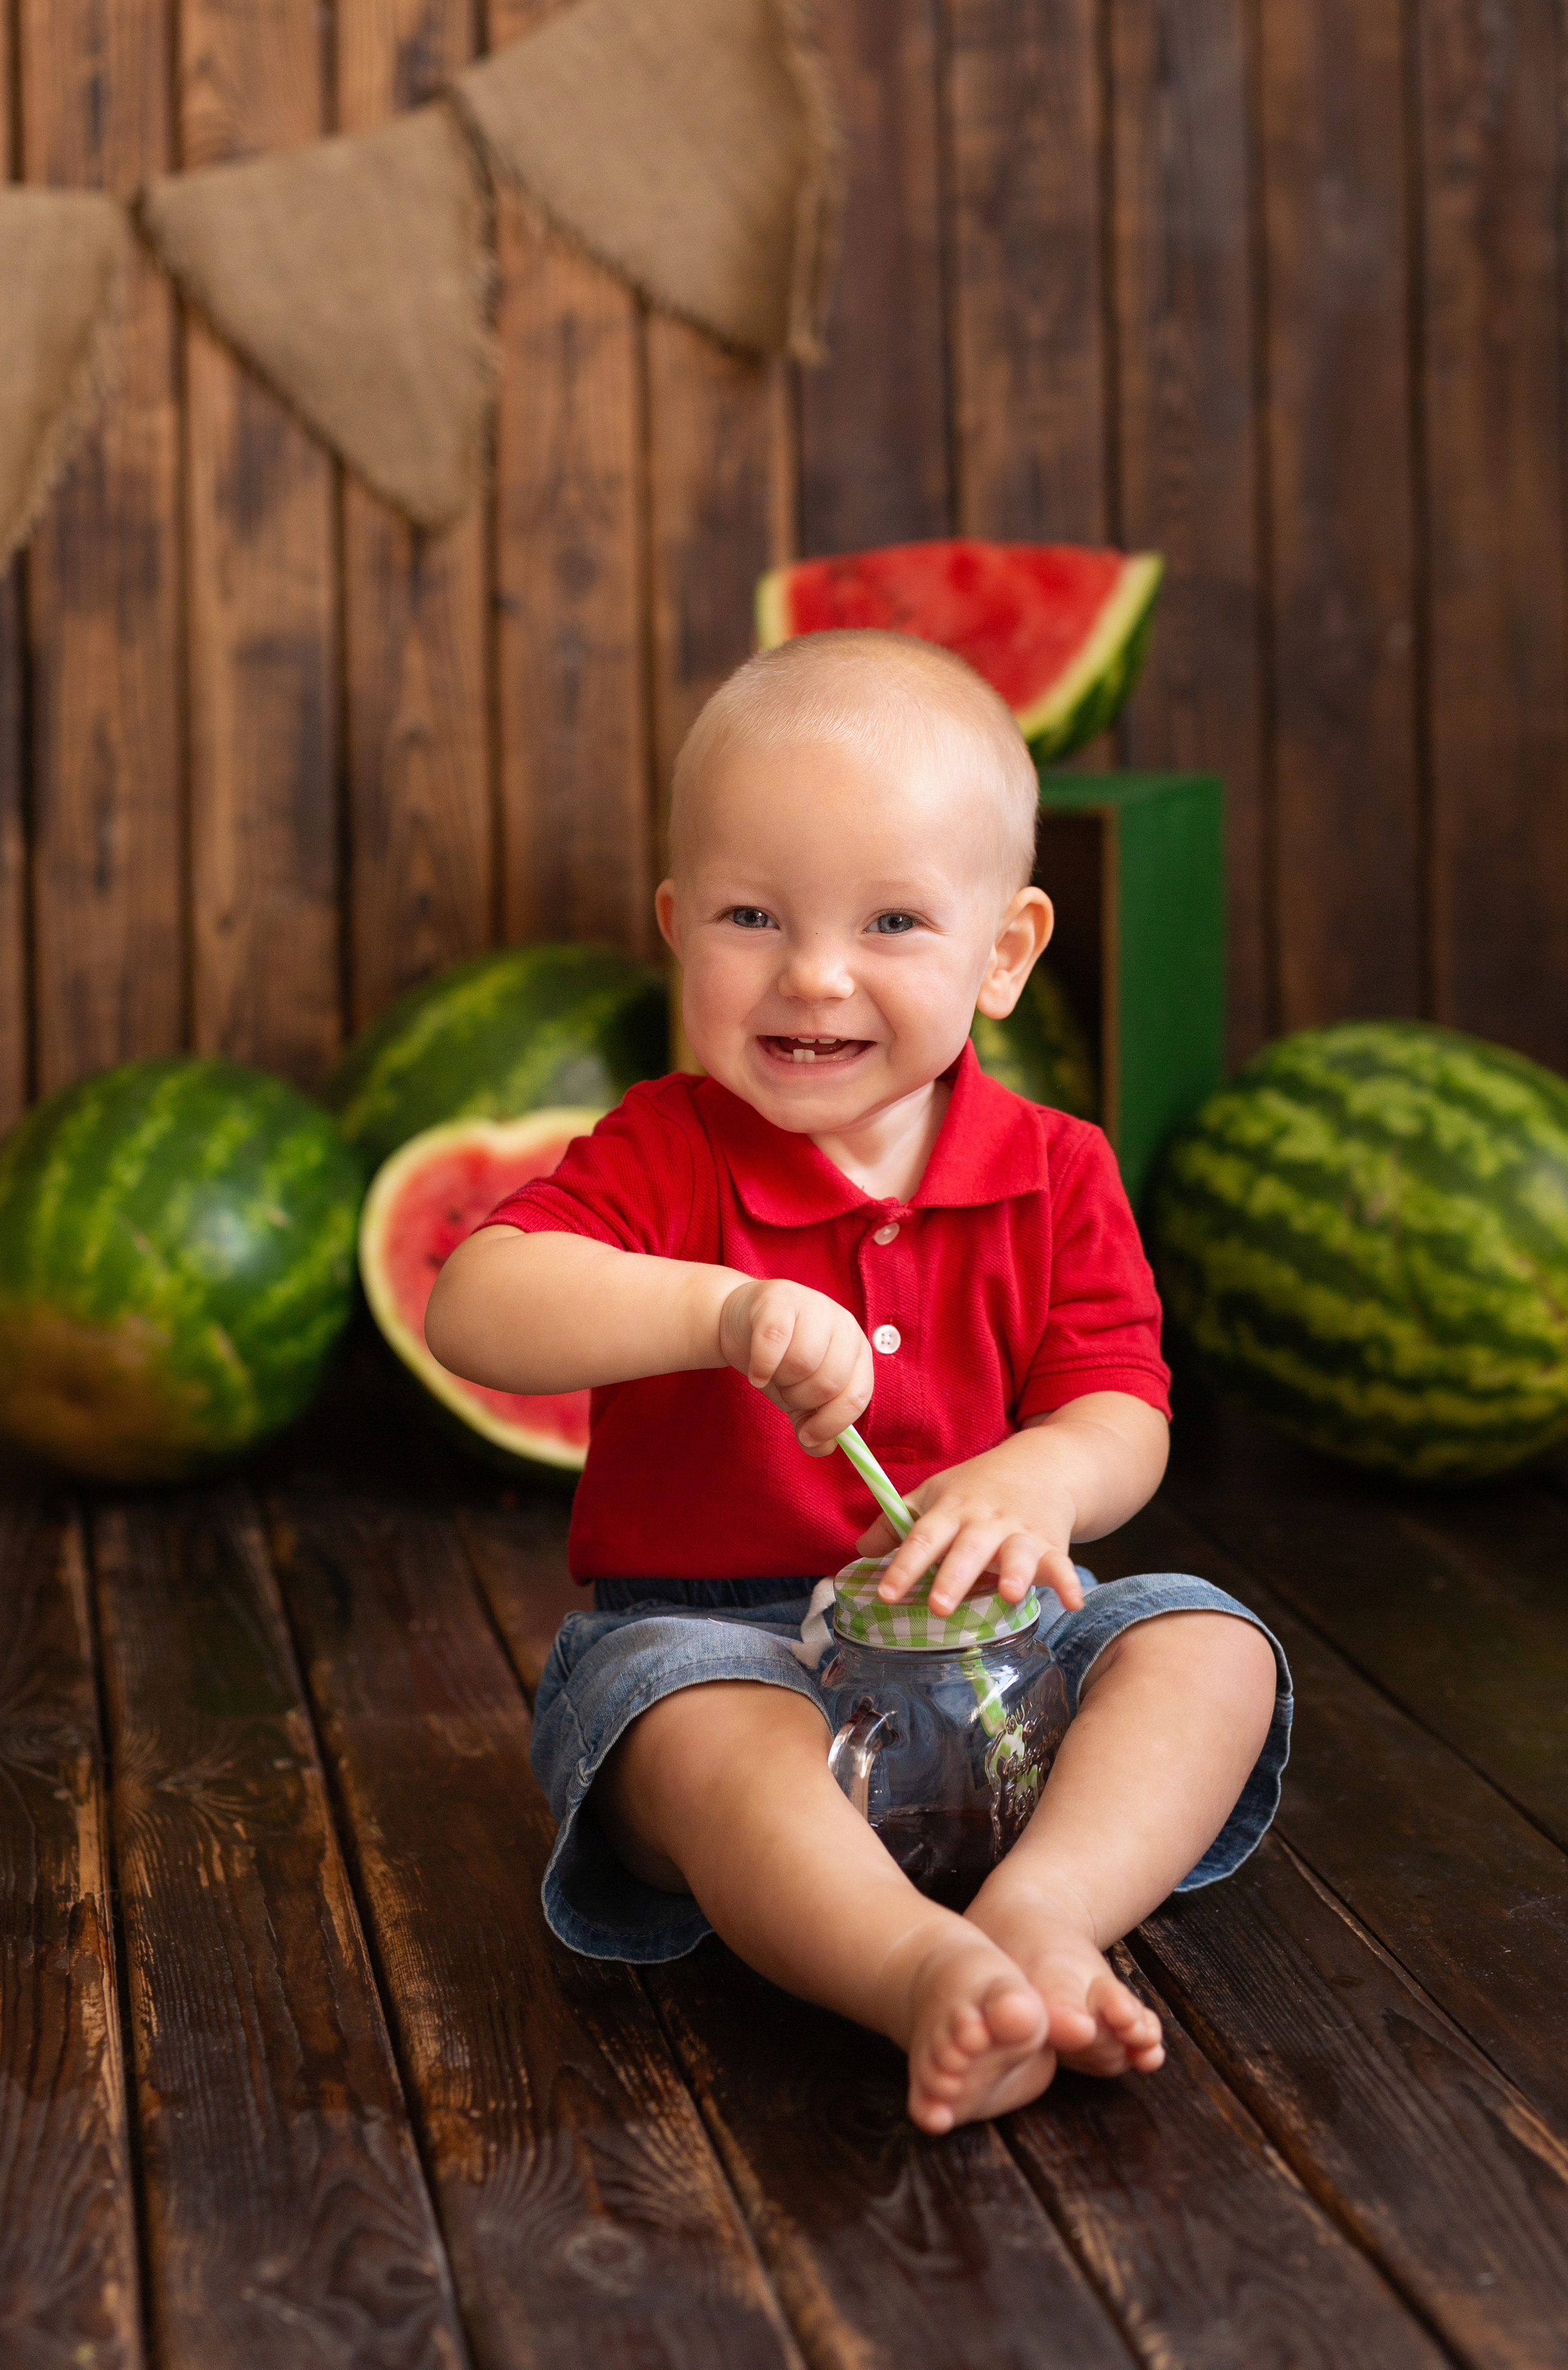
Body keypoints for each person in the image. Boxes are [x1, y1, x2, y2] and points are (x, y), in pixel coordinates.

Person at [426, 630, 1290, 2134]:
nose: (813, 974)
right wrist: (716, 1307)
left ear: (1005, 953)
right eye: (752, 915)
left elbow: (1120, 1409)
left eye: (892, 921)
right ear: (676, 928)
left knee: (1208, 1647)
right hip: (719, 1639)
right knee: (699, 1732)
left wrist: (1039, 1478)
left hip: (997, 1653)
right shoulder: (662, 1152)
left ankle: (1044, 1909)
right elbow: (475, 1308)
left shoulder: (1054, 1171)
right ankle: (909, 1972)